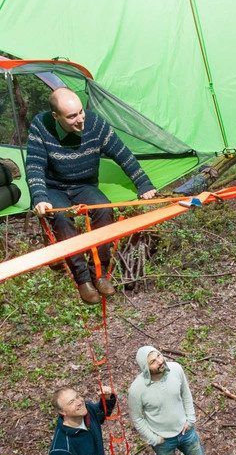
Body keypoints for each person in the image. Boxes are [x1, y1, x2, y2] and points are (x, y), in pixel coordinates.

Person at [26, 88, 157, 304]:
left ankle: (99, 272)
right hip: (53, 188)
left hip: (84, 185)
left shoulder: (95, 124)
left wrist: (143, 183)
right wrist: (40, 197)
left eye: (81, 112)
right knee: (61, 217)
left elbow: (122, 153)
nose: (80, 121)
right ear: (56, 117)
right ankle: (83, 280)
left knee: (104, 209)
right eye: (71, 116)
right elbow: (34, 165)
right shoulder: (41, 126)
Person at [128, 346, 225, 455]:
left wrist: (191, 419)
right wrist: (154, 438)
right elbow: (138, 419)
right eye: (153, 361)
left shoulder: (175, 369)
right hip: (163, 440)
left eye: (159, 355)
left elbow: (186, 393)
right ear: (145, 368)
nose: (160, 361)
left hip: (185, 431)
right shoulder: (136, 390)